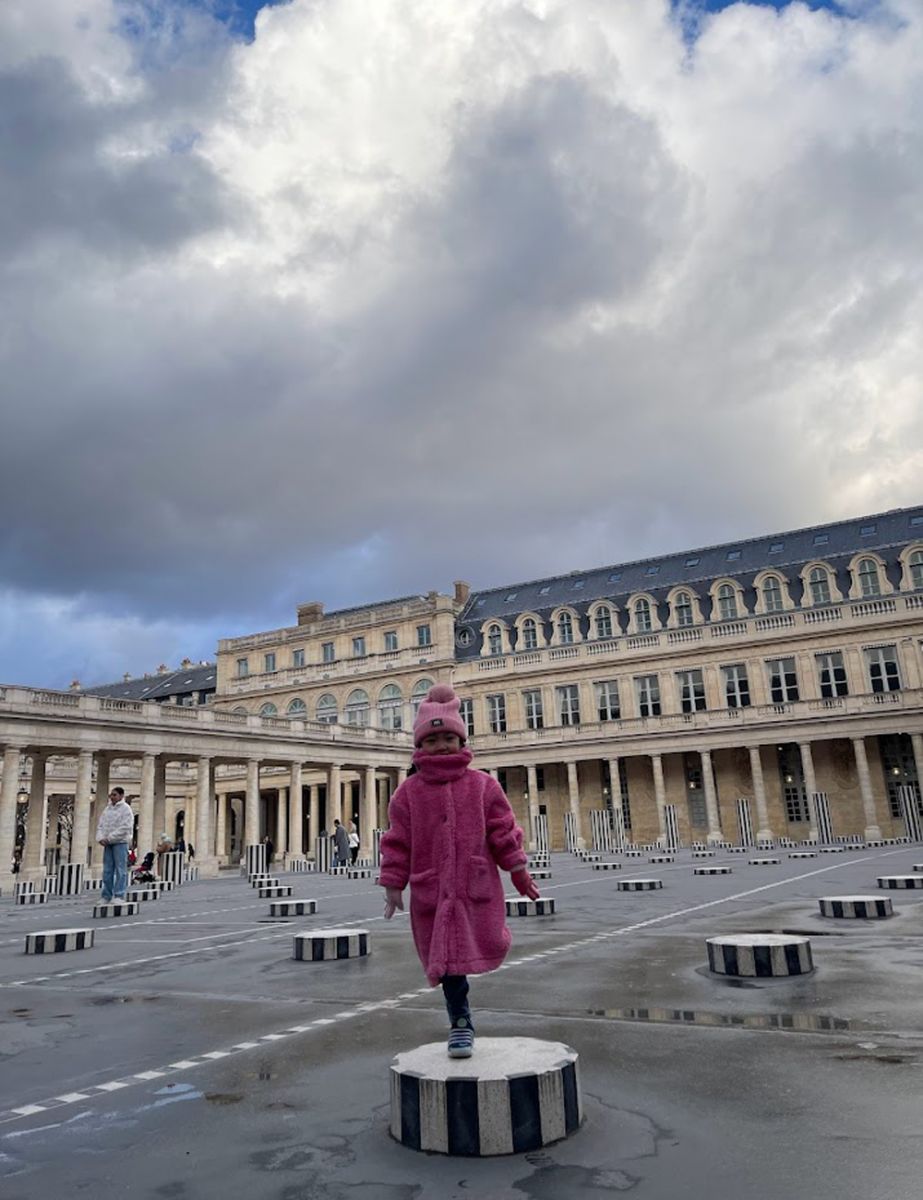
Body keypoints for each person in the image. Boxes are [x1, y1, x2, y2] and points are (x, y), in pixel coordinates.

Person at [378, 683, 539, 1059]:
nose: (442, 746)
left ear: (462, 739)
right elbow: (397, 841)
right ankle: (461, 1022)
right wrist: (392, 885)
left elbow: (504, 833)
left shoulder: (483, 786)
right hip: (433, 892)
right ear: (420, 746)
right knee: (448, 962)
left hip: (474, 887)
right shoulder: (408, 793)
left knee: (484, 943)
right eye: (433, 740)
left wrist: (519, 873)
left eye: (449, 737)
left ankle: (462, 1018)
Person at [96, 786, 135, 902]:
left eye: (114, 795)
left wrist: (110, 838)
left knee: (120, 869)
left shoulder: (126, 809)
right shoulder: (107, 809)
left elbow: (125, 827)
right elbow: (100, 825)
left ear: (121, 796)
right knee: (107, 870)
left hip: (120, 842)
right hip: (108, 843)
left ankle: (119, 894)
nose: (112, 797)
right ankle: (106, 895)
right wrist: (100, 838)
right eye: (111, 795)